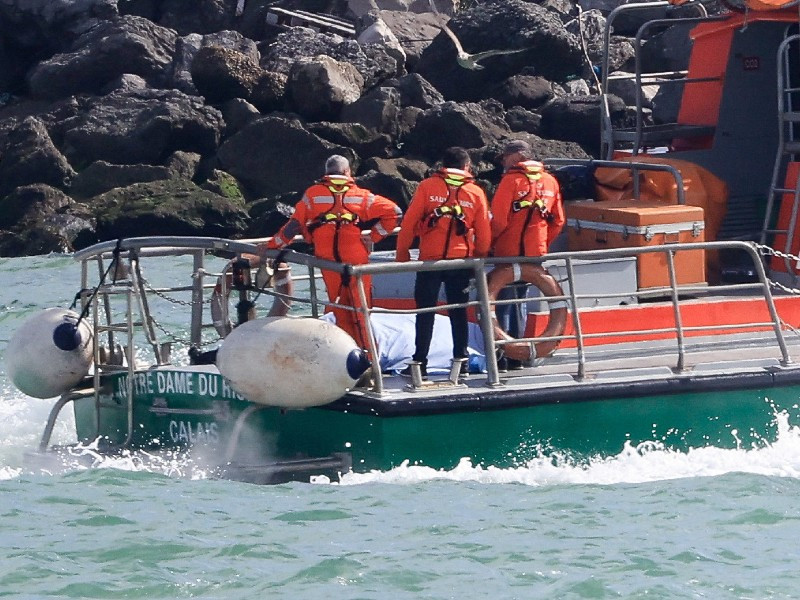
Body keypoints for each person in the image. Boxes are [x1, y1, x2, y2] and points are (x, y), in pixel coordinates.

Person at [260, 154, 402, 348]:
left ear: (327, 173)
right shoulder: (361, 195)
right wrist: (374, 236)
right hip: (356, 259)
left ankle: (347, 354)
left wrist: (271, 246)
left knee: (340, 311)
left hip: (327, 260)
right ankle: (368, 357)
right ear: (346, 172)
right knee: (361, 311)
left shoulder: (312, 194)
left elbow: (293, 227)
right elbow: (395, 213)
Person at [396, 146, 491, 378]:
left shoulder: (427, 187)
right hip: (461, 262)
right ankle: (462, 360)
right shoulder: (476, 192)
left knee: (425, 312)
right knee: (459, 311)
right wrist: (479, 257)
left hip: (430, 262)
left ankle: (420, 362)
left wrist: (402, 254)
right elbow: (484, 232)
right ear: (466, 167)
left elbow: (409, 223)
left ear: (442, 166)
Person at [490, 139, 565, 369]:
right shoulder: (551, 181)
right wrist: (542, 242)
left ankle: (504, 357)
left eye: (505, 158)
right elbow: (558, 220)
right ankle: (519, 356)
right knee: (520, 301)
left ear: (515, 158)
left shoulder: (509, 181)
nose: (503, 162)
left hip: (507, 253)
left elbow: (499, 220)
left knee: (502, 303)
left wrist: (490, 244)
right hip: (535, 254)